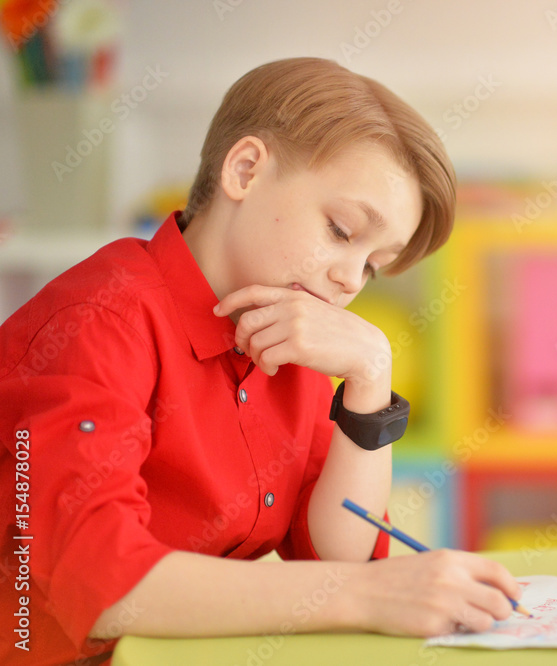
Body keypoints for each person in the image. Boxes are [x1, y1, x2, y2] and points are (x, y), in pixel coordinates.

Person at [0, 57, 521, 665]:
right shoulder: (95, 324)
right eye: (342, 230)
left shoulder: (290, 336)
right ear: (245, 170)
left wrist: (370, 380)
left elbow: (340, 556)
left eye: (374, 265)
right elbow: (108, 587)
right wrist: (368, 595)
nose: (350, 280)